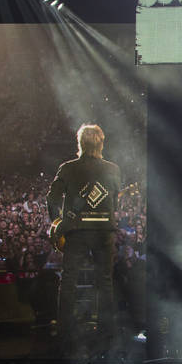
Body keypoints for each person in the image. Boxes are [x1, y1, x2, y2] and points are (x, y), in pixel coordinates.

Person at [47, 124, 122, 338]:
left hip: (76, 230)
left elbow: (52, 198)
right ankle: (108, 330)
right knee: (105, 280)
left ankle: (65, 329)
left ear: (80, 143)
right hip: (104, 231)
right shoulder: (113, 169)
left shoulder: (68, 168)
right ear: (101, 143)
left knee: (69, 279)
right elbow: (114, 202)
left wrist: (57, 223)